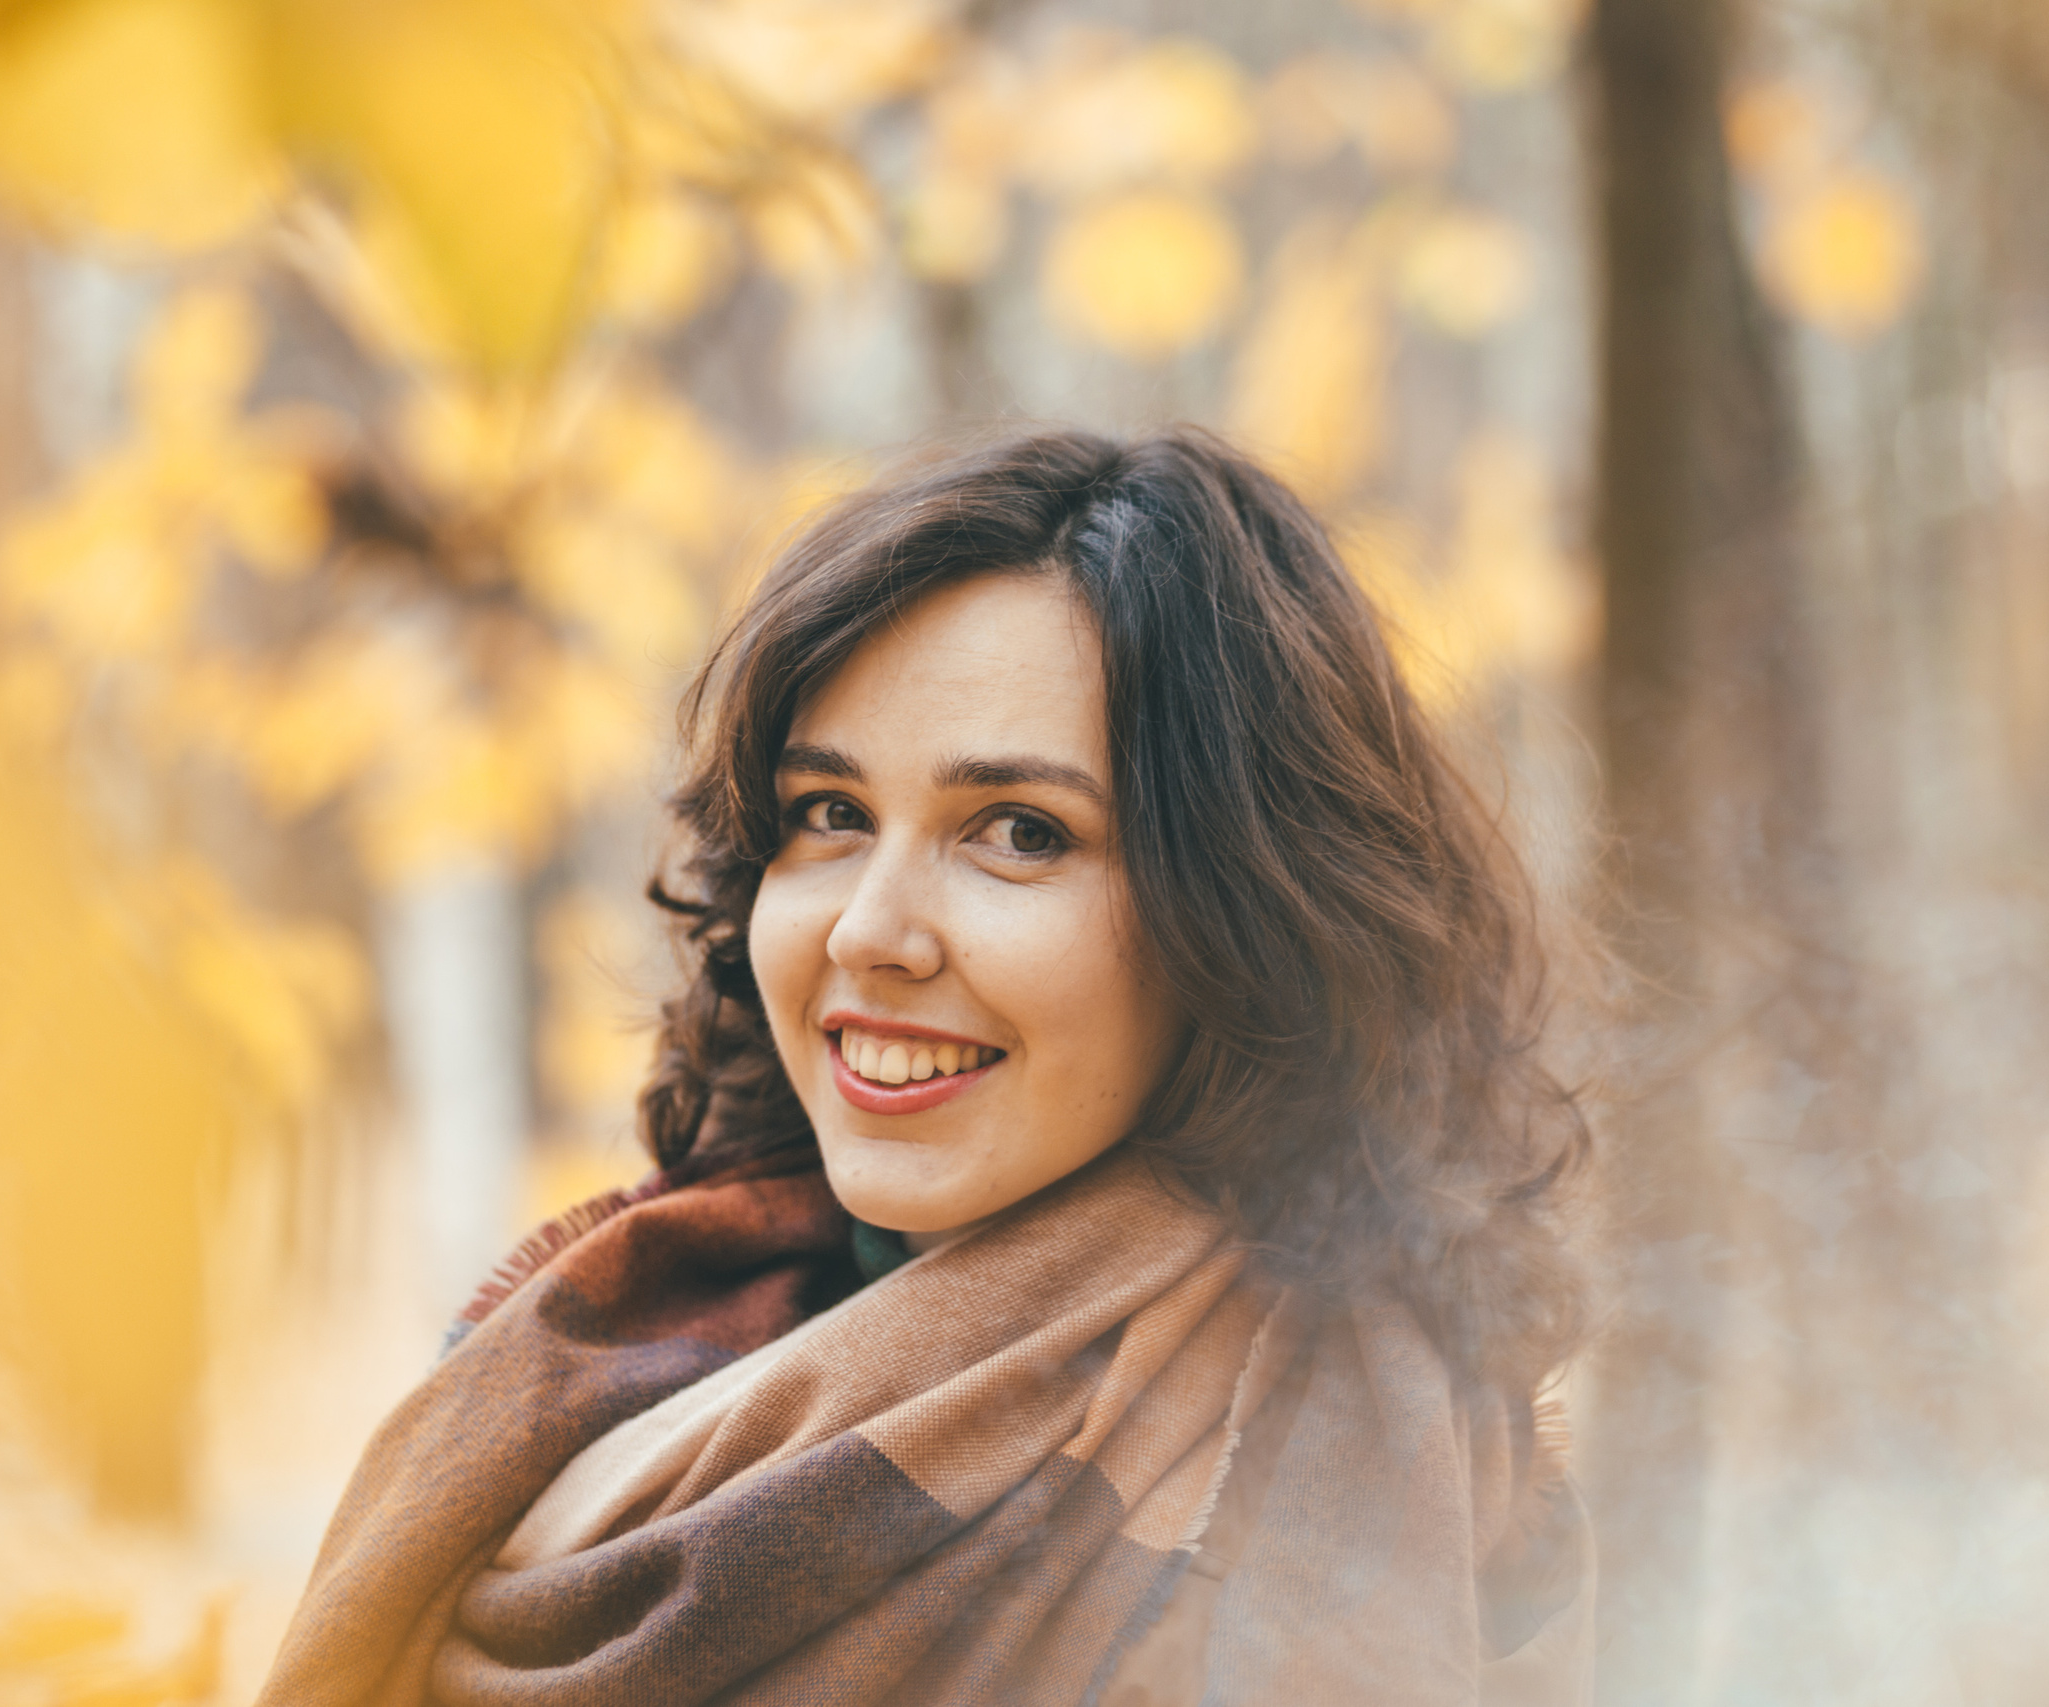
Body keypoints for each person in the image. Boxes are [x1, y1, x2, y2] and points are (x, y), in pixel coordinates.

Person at [257, 428, 1595, 1707]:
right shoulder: (625, 1335)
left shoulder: (1322, 1476)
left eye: (1018, 831)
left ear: (1246, 919)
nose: (869, 930)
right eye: (827, 816)